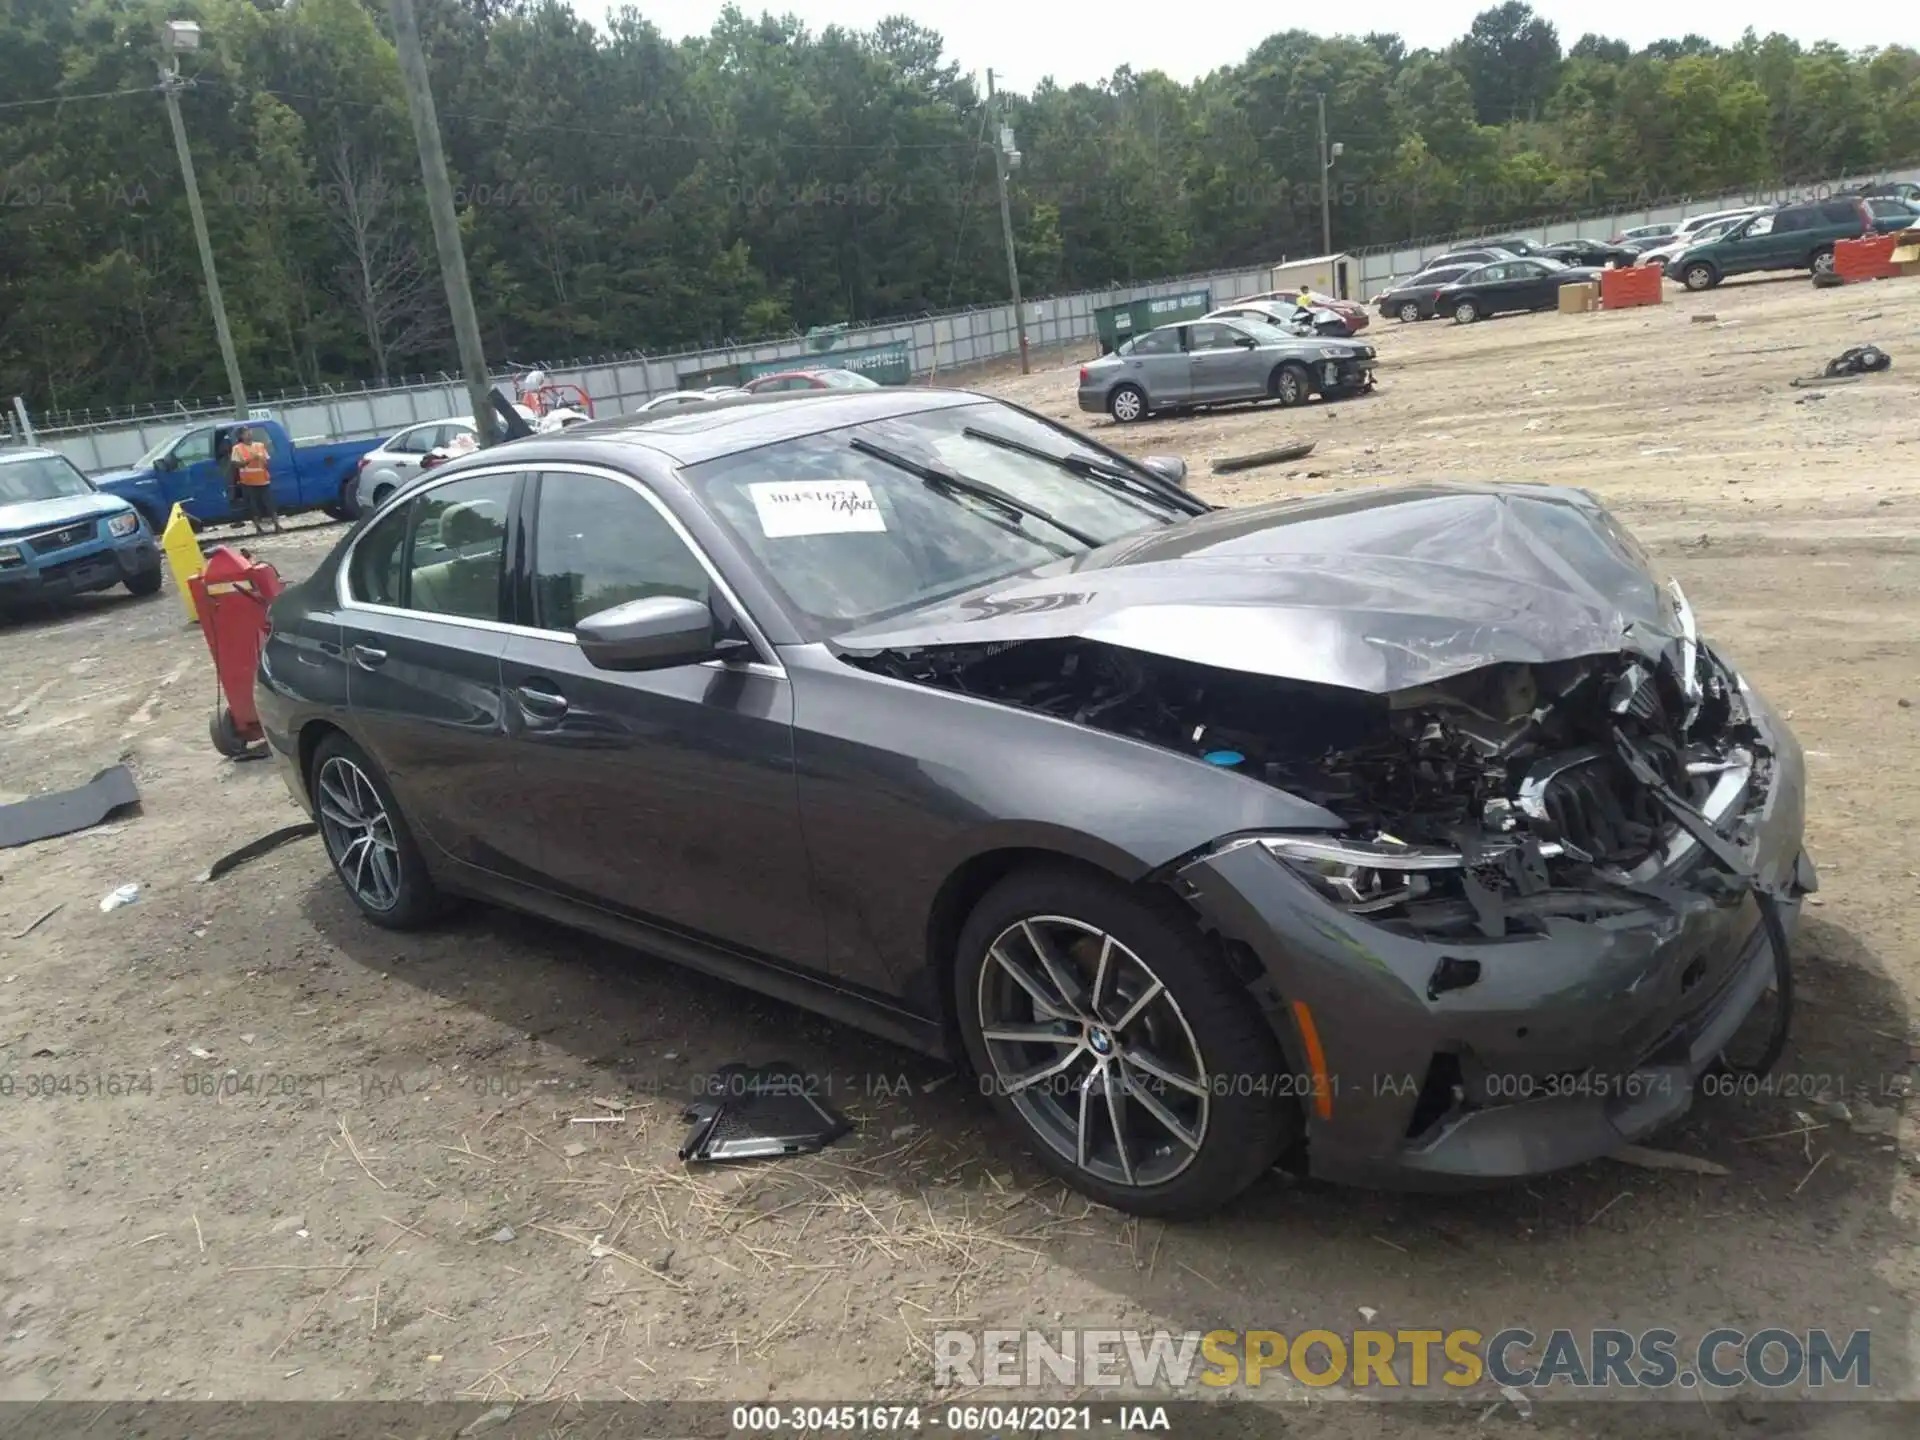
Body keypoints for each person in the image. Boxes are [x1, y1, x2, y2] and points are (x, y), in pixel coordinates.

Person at [228, 426, 279, 534]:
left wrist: (262, 459)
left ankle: (277, 525)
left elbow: (267, 461)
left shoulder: (259, 445)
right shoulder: (237, 448)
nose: (249, 434)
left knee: (270, 504)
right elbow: (236, 465)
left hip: (263, 480)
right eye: (246, 433)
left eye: (249, 432)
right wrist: (250, 459)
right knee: (253, 506)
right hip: (248, 482)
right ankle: (258, 528)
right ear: (241, 436)